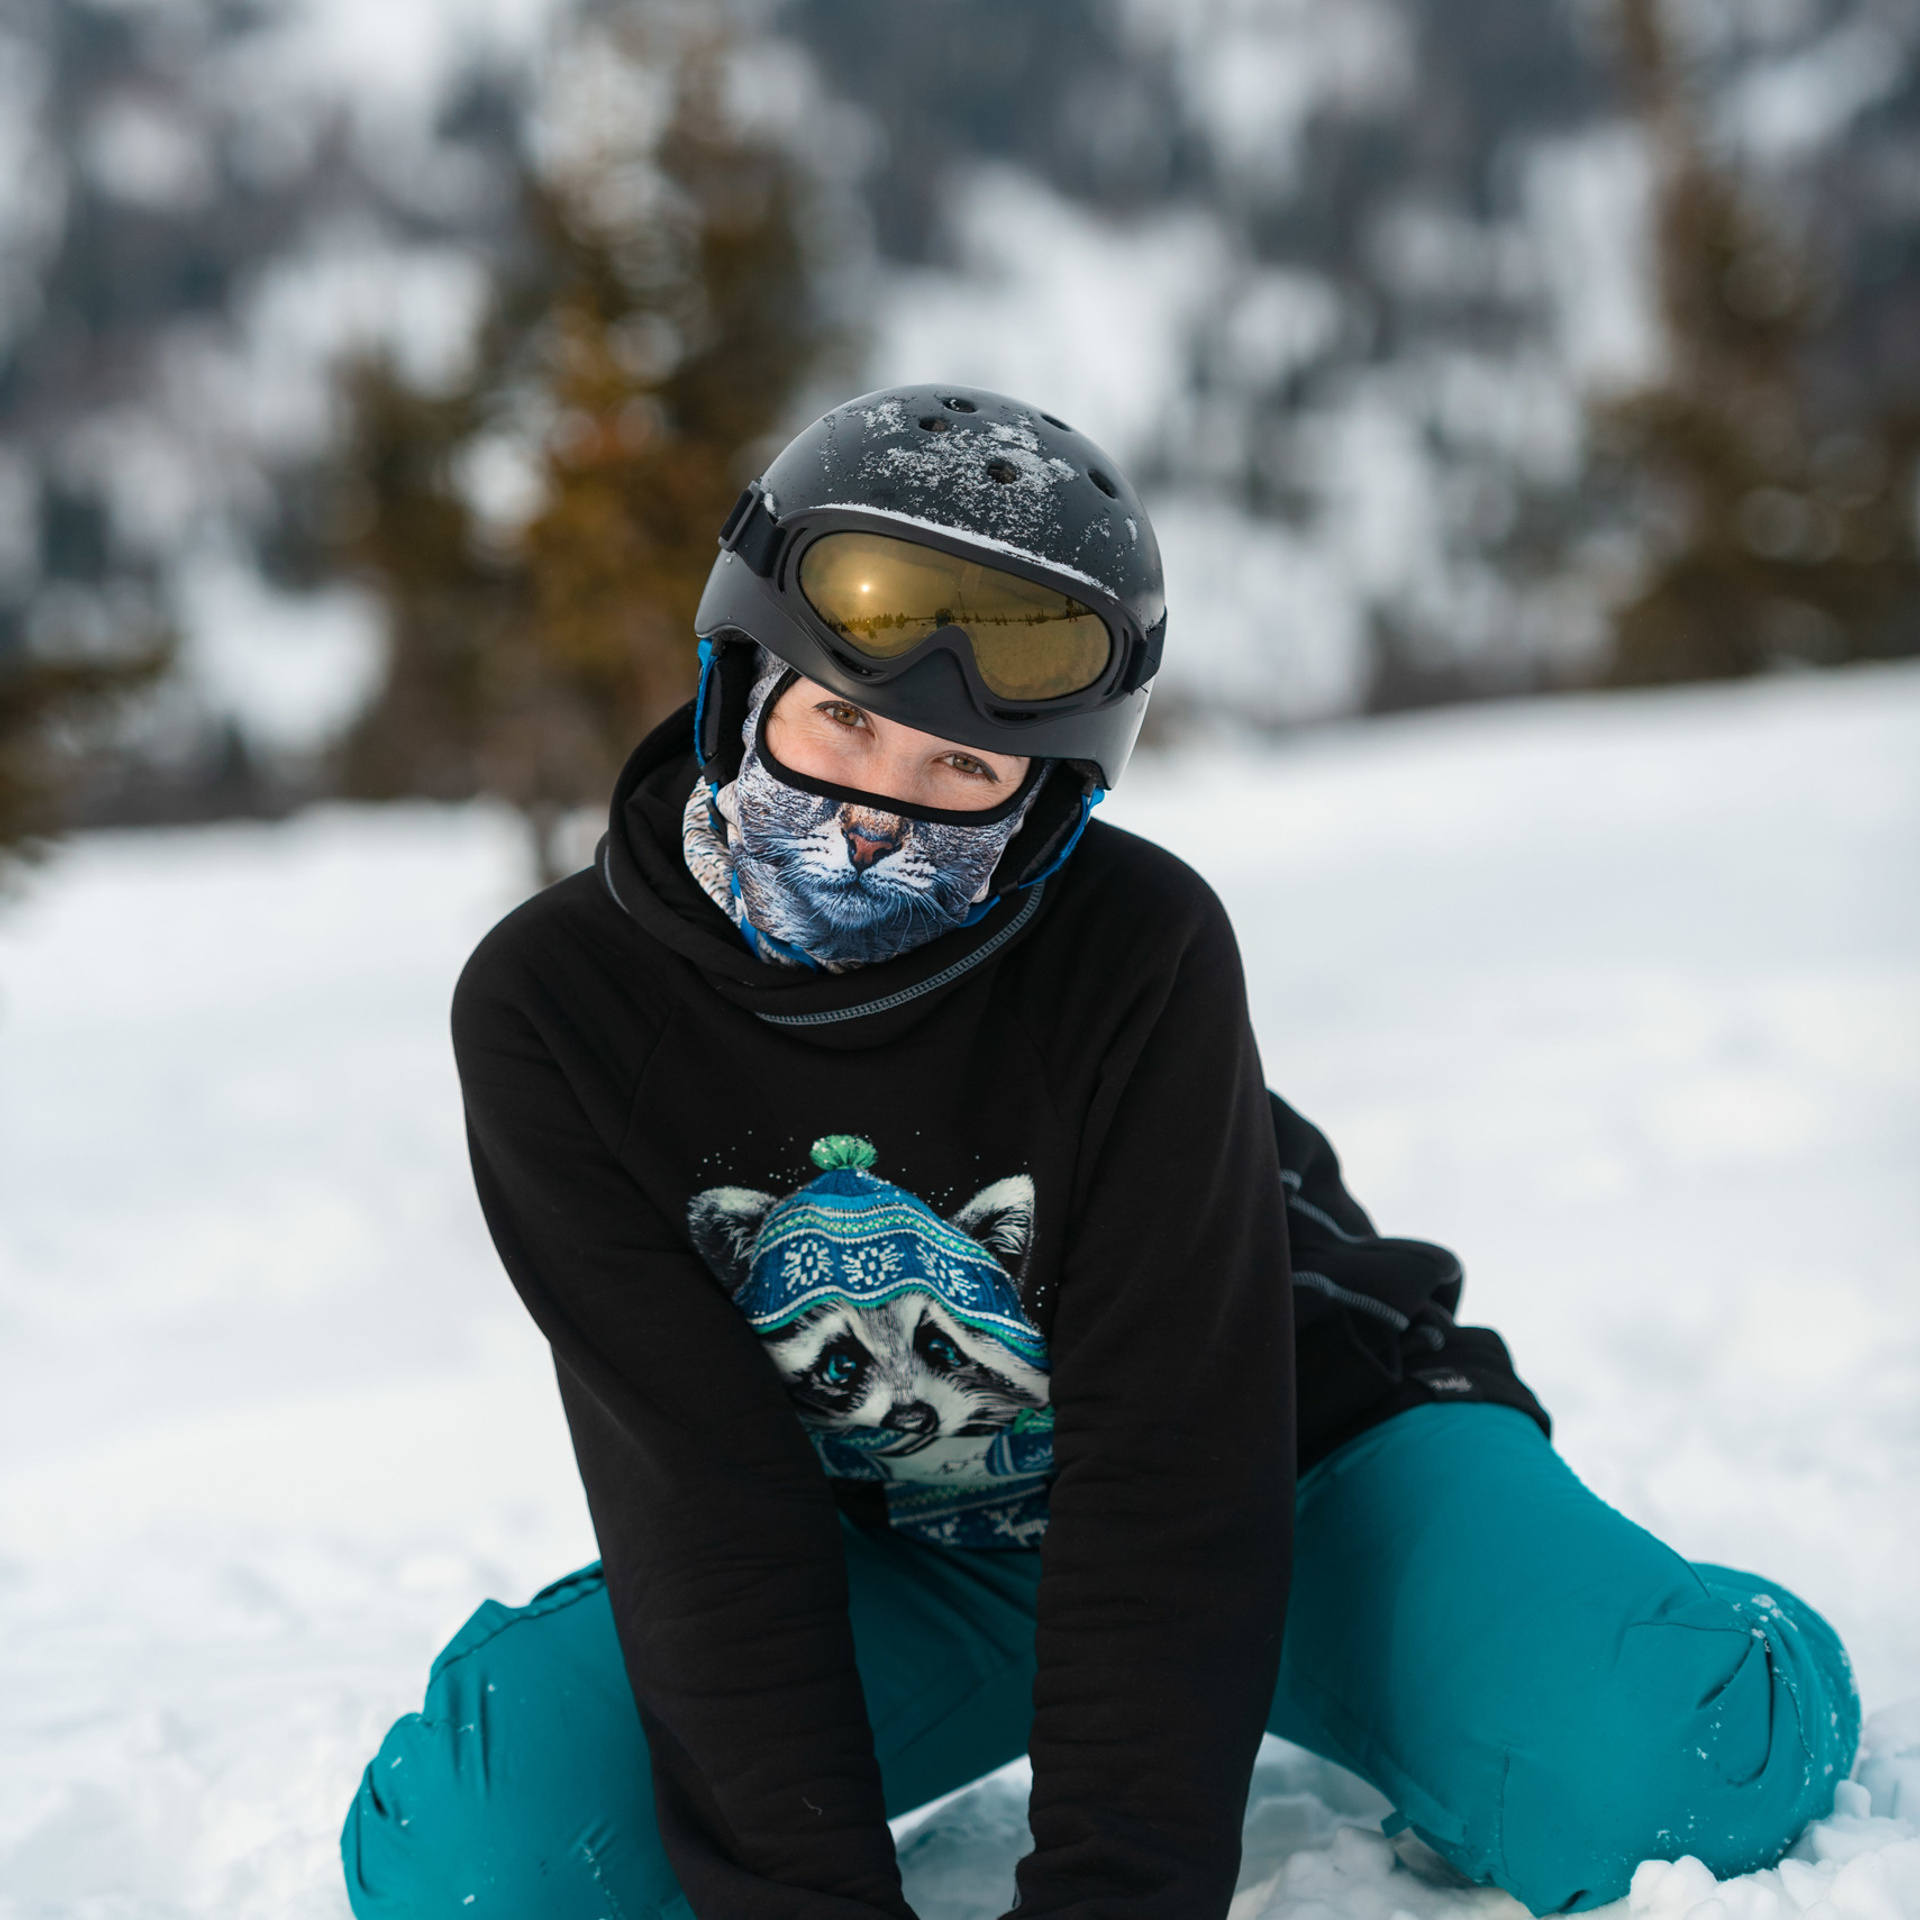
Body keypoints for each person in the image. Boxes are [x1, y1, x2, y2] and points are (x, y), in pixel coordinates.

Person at [340, 387, 1859, 1920]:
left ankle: (1652, 1641)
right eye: (844, 719)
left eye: (960, 772)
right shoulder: (558, 1006)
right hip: (906, 1555)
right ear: (740, 680)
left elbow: (1173, 1469)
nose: (876, 812)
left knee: (1674, 1761)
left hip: (1301, 1473)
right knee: (474, 1862)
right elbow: (703, 1498)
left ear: (1049, 793)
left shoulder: (1137, 950)